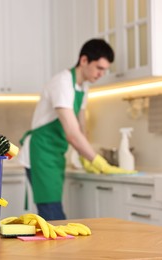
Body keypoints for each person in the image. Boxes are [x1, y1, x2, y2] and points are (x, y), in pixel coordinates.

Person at [18, 38, 135, 221]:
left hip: (55, 154)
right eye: (99, 68)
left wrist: (85, 158)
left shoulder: (84, 87)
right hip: (41, 153)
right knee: (53, 214)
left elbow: (81, 127)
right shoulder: (62, 83)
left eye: (105, 69)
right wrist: (100, 163)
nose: (102, 74)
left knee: (54, 214)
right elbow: (72, 134)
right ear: (84, 61)